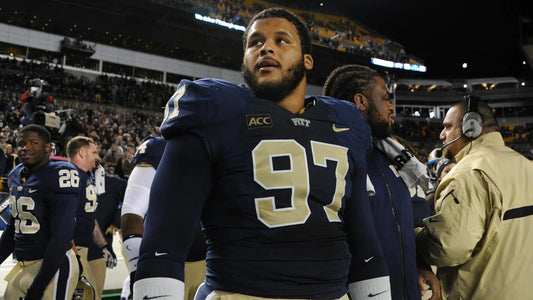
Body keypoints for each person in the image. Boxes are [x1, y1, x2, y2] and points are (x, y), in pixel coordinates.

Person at [134, 7, 391, 300]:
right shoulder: (212, 109)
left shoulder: (345, 122)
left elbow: (364, 242)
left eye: (282, 40)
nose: (265, 47)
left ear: (307, 60)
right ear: (244, 58)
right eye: (254, 42)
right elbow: (163, 242)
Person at [323, 64, 440, 300]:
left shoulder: (390, 157)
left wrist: (420, 264)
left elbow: (402, 227)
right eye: (385, 98)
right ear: (361, 101)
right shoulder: (334, 159)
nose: (391, 107)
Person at [416, 97, 533, 299]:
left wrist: (416, 235)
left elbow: (449, 248)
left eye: (447, 126)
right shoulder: (526, 165)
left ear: (472, 127)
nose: (442, 135)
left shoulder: (466, 174)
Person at [121, 135, 207, 300]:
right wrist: (135, 272)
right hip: (165, 263)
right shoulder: (159, 148)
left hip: (211, 263)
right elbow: (131, 214)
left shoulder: (220, 145)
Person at [0, 124, 79, 299]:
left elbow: (60, 237)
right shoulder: (16, 174)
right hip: (23, 265)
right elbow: (14, 227)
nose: (26, 147)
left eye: (34, 142)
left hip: (53, 265)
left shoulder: (60, 174)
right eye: (21, 143)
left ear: (47, 148)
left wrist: (38, 287)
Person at [67, 136, 118, 300]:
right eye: (94, 152)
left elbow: (89, 217)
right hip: (73, 250)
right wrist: (73, 253)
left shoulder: (86, 178)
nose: (97, 156)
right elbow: (62, 219)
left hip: (90, 248)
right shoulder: (68, 177)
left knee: (94, 295)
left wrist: (104, 246)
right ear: (82, 153)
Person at [88, 163, 128, 298]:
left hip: (98, 249)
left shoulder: (112, 183)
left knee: (95, 293)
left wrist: (116, 221)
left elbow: (132, 199)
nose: (95, 156)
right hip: (73, 247)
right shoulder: (72, 181)